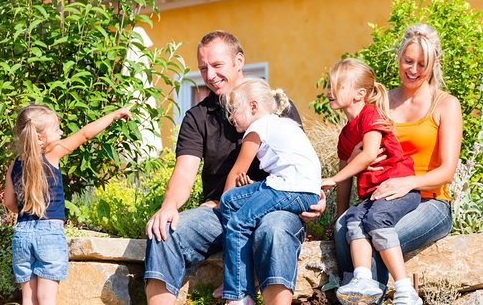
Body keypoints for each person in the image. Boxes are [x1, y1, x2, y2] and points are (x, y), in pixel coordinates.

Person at [144, 30, 326, 305]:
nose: (209, 75)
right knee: (164, 231)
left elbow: (302, 160)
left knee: (274, 230)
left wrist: (317, 196)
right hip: (220, 212)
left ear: (239, 61)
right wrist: (169, 206)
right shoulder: (197, 117)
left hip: (276, 210)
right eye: (203, 68)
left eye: (217, 66)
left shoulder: (274, 107)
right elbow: (184, 172)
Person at [334, 23, 463, 304]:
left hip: (430, 201)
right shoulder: (380, 103)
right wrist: (340, 214)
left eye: (421, 63)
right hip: (381, 199)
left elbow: (447, 171)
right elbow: (351, 154)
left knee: (376, 236)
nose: (413, 70)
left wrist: (408, 182)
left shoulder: (445, 105)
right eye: (408, 61)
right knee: (344, 228)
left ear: (435, 63)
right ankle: (353, 293)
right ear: (399, 57)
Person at [3, 104, 132, 305]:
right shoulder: (53, 152)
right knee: (47, 300)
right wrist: (114, 115)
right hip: (49, 234)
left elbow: (9, 202)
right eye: (56, 129)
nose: (62, 132)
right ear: (40, 138)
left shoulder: (14, 164)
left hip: (22, 233)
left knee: (28, 299)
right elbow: (85, 134)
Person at [321, 58, 421, 305]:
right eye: (328, 85)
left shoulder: (371, 115)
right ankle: (363, 279)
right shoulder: (345, 134)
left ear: (360, 94)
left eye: (337, 86)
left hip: (399, 188)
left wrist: (332, 179)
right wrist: (340, 214)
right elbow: (346, 175)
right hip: (374, 194)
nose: (329, 92)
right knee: (353, 221)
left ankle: (405, 289)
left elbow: (368, 154)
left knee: (376, 219)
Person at [219, 77, 321, 305]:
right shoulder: (285, 124)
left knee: (237, 222)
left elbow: (237, 172)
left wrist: (223, 211)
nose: (230, 117)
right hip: (303, 190)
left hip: (288, 186)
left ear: (254, 106)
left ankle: (238, 295)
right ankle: (238, 275)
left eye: (234, 110)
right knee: (233, 202)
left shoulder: (257, 127)